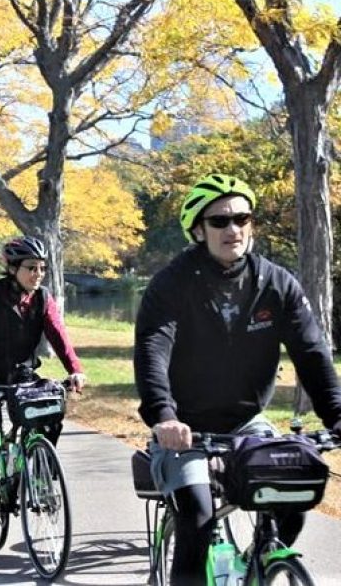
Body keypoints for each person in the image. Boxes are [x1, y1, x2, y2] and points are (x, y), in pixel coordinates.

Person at [134, 173, 341, 586]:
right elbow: (153, 350)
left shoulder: (276, 283)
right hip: (185, 426)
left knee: (291, 499)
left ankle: (258, 564)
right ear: (197, 229)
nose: (234, 229)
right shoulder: (171, 284)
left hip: (247, 421)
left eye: (242, 218)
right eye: (220, 221)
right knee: (196, 513)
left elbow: (312, 353)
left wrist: (336, 412)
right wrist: (164, 416)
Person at [0, 235, 86, 525]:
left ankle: (40, 476)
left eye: (42, 268)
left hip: (23, 375)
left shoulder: (43, 298)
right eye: (31, 268)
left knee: (49, 417)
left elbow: (58, 335)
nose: (37, 274)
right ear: (13, 268)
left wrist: (74, 369)